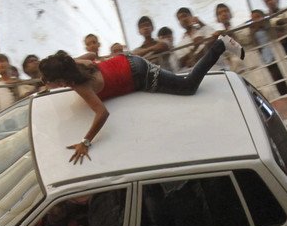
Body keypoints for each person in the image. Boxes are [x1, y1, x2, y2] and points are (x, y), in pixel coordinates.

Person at [36, 34, 241, 165]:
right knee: (180, 81)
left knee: (188, 86)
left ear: (63, 79)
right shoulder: (75, 64)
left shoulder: (80, 85)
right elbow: (91, 54)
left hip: (140, 75)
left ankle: (220, 45)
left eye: (51, 82)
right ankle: (219, 45)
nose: (50, 84)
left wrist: (86, 142)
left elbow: (102, 113)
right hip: (127, 61)